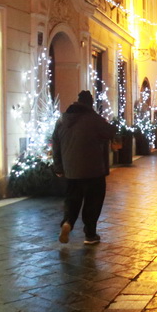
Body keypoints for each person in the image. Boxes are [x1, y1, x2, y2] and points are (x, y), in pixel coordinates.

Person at [52, 90, 116, 245]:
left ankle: (68, 222)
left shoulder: (61, 120)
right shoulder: (94, 119)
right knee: (93, 201)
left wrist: (59, 167)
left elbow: (56, 144)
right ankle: (90, 234)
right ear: (90, 103)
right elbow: (111, 131)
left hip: (71, 170)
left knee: (72, 200)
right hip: (93, 170)